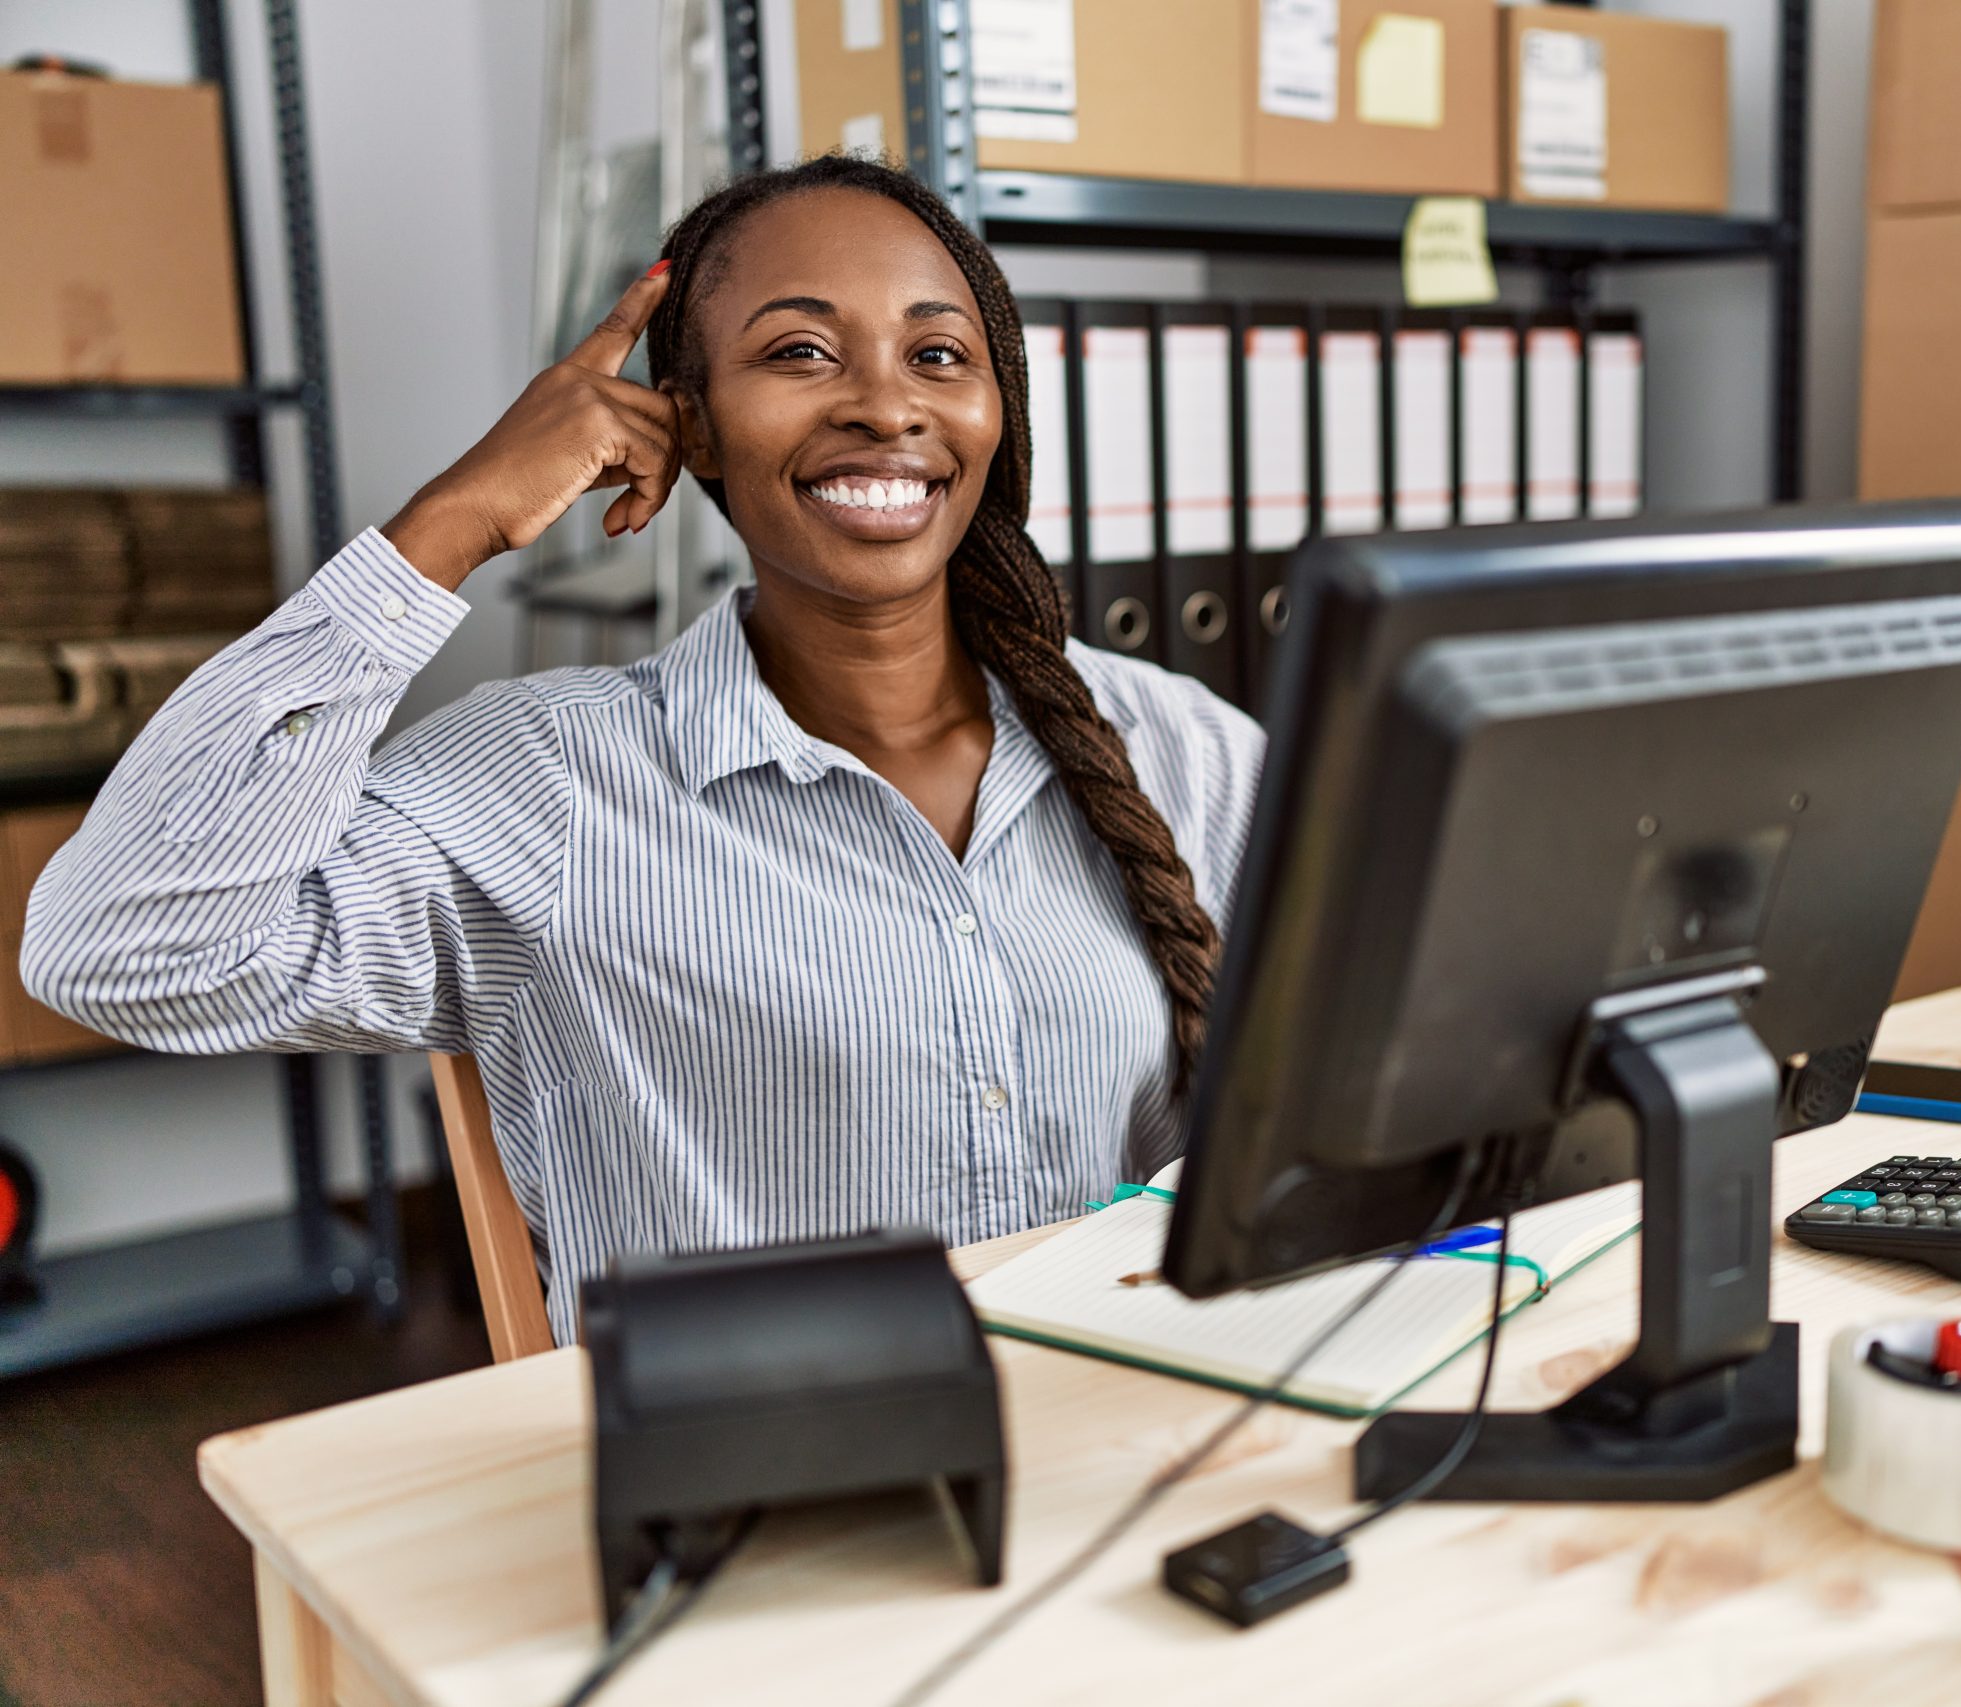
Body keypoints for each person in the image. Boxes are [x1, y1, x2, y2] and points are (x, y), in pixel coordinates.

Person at [20, 157, 1262, 1345]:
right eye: (798, 352)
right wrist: (447, 525)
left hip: (1140, 1445)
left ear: (998, 415)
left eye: (938, 355)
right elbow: (120, 951)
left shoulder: (1175, 744)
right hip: (773, 1500)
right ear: (692, 427)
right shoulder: (549, 786)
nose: (888, 406)